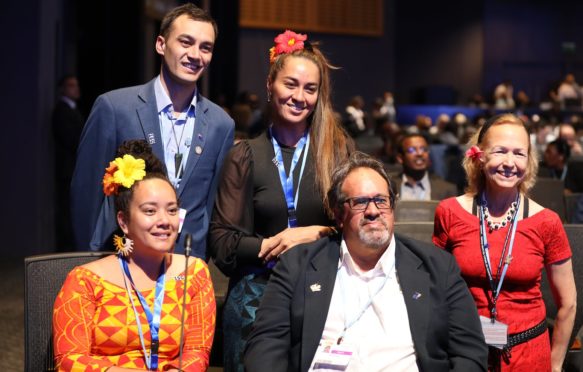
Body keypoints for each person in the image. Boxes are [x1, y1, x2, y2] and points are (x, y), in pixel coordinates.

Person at [244, 152, 488, 372]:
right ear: (338, 214)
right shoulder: (297, 266)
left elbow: (469, 351)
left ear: (392, 206)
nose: (373, 211)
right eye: (360, 202)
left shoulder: (437, 266)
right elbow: (266, 344)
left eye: (381, 200)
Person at [208, 29, 354, 371]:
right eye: (290, 84)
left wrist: (309, 233)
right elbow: (223, 243)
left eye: (310, 88)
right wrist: (274, 244)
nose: (299, 96)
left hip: (323, 295)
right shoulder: (245, 155)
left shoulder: (337, 152)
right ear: (270, 84)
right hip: (256, 298)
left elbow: (357, 228)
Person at [71, 3, 234, 256]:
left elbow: (211, 205)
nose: (195, 54)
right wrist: (86, 259)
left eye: (206, 47)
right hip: (120, 258)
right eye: (185, 42)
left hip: (185, 264)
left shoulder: (220, 125)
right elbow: (86, 194)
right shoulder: (114, 108)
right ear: (160, 44)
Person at [53, 140, 216, 371]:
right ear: (124, 221)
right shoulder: (85, 281)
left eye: (172, 210)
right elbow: (70, 360)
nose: (164, 221)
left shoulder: (194, 273)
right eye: (150, 211)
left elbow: (197, 352)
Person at [433, 113, 576, 371]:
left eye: (519, 154)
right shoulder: (449, 212)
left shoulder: (547, 222)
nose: (510, 163)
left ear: (529, 161)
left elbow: (568, 303)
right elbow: (436, 288)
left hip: (529, 354)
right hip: (466, 352)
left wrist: (554, 365)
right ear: (479, 155)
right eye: (500, 151)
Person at [52, 75, 85, 250]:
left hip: (73, 170)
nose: (76, 88)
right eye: (71, 85)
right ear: (62, 89)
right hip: (67, 171)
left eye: (77, 85)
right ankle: (65, 251)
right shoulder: (62, 111)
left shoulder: (73, 110)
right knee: (66, 211)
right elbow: (71, 139)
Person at [393, 134, 457, 201]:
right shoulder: (389, 187)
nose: (420, 153)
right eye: (412, 150)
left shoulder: (447, 189)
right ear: (400, 158)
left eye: (424, 149)